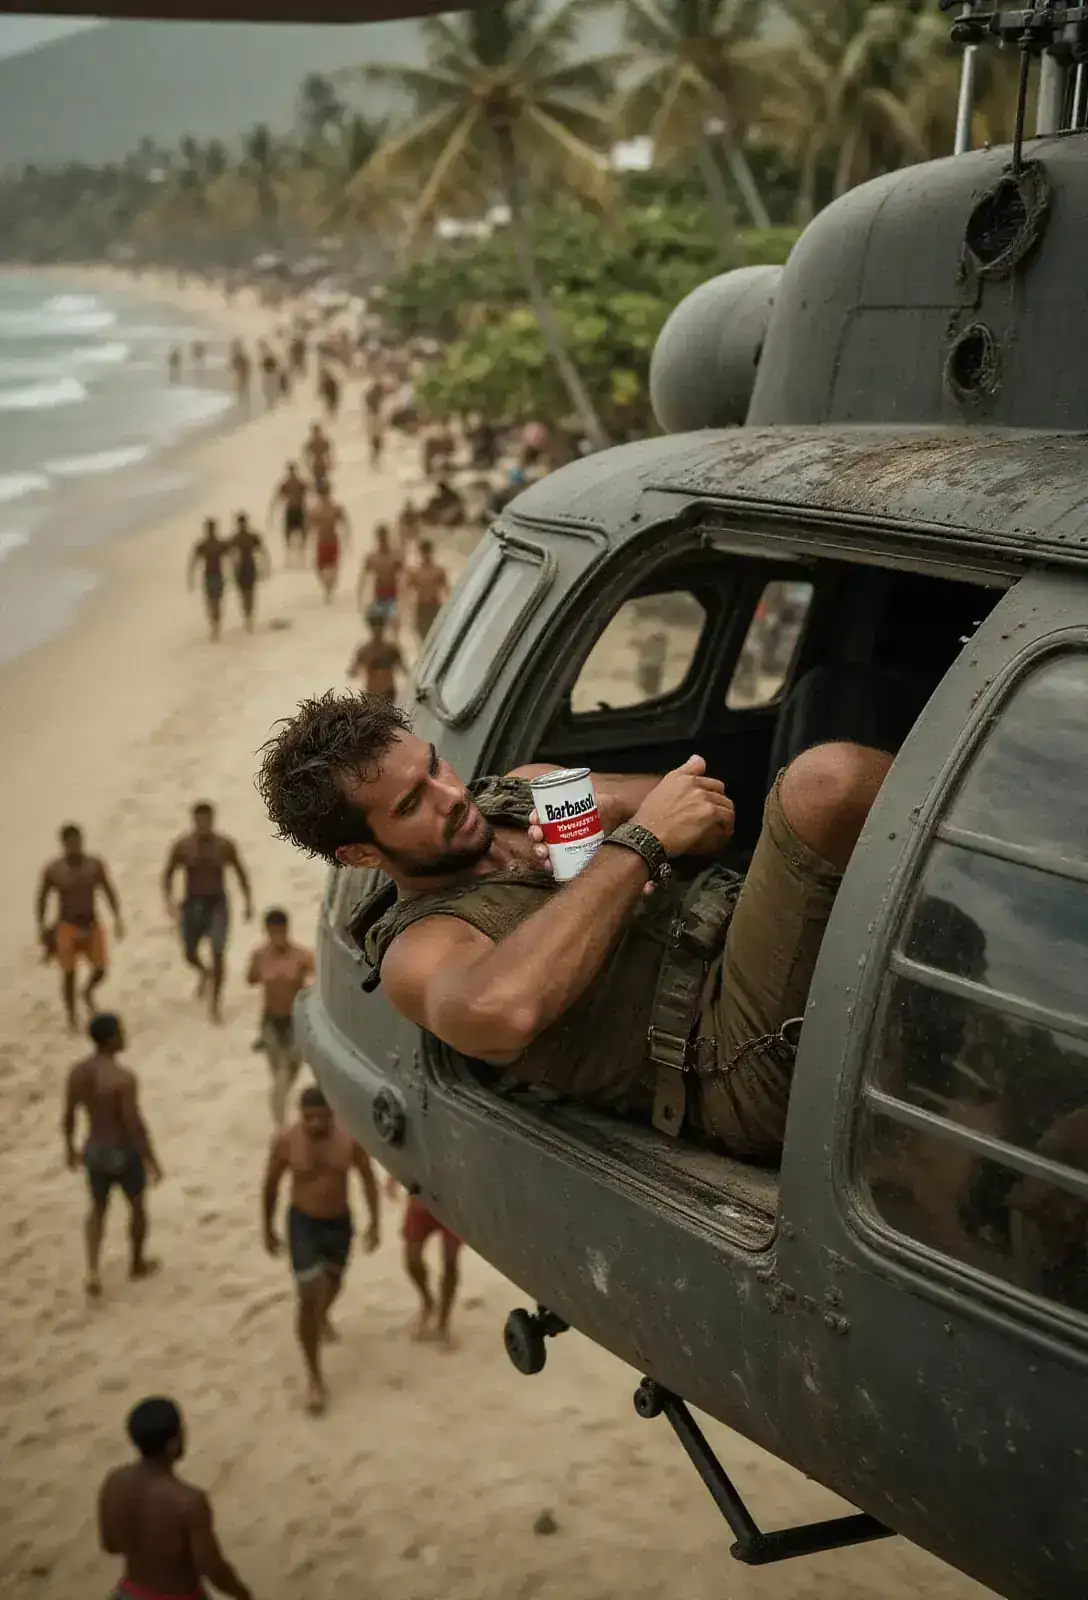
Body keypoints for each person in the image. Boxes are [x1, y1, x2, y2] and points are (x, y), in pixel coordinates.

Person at [257, 694, 893, 1165]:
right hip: (722, 1061)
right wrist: (635, 848)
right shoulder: (418, 952)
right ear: (361, 855)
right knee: (826, 784)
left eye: (434, 768)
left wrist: (610, 809)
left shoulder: (522, 794)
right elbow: (504, 1010)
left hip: (739, 930)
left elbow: (713, 816)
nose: (450, 796)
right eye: (409, 804)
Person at [262, 1085, 380, 1414]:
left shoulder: (348, 1138)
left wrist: (375, 1222)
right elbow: (270, 1184)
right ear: (300, 1115)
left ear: (332, 1114)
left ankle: (321, 1314)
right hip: (303, 1223)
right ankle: (314, 1377)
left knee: (334, 1284)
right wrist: (267, 1228)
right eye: (308, 1119)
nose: (314, 1125)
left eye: (321, 1119)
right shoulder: (287, 1140)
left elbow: (367, 1178)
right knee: (309, 1291)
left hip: (338, 1223)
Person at [99, 1397, 253, 1600]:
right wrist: (243, 1594)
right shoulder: (188, 1502)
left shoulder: (114, 1481)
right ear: (173, 1445)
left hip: (130, 1593)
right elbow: (211, 1567)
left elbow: (111, 1545)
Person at [63, 1013, 162, 1298]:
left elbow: (69, 1115)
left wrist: (69, 1147)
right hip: (122, 1152)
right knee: (137, 1208)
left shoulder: (77, 1072)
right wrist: (150, 1159)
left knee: (96, 1209)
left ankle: (93, 1269)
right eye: (121, 1032)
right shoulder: (123, 1078)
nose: (125, 1036)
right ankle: (137, 1263)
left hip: (94, 1149)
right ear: (110, 1040)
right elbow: (133, 1123)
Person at [162, 803, 253, 1022]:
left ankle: (215, 1004)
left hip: (217, 904)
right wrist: (169, 901)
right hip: (192, 904)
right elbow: (168, 874)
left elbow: (241, 872)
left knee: (218, 953)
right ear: (194, 821)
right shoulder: (183, 846)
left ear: (213, 820)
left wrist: (248, 901)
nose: (204, 825)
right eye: (200, 821)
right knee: (189, 953)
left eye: (207, 820)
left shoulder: (224, 845)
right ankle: (204, 972)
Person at [37, 824, 124, 1030]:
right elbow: (42, 897)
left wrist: (117, 916)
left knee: (101, 969)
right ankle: (71, 1015)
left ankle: (87, 993)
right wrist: (41, 927)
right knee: (69, 973)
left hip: (91, 923)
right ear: (63, 844)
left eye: (77, 842)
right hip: (66, 925)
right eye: (70, 843)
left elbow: (107, 889)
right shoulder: (54, 870)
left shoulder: (94, 865)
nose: (74, 847)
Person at [246, 909, 314, 1125]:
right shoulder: (260, 956)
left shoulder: (301, 956)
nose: (277, 936)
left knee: (290, 1073)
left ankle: (280, 1117)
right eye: (272, 932)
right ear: (266, 931)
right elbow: (251, 979)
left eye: (280, 931)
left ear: (287, 929)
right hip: (271, 1022)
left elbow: (320, 980)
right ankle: (280, 1125)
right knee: (281, 1075)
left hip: (296, 1021)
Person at [403, 1197, 462, 1348]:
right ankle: (428, 1300)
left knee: (450, 1263)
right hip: (422, 1198)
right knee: (412, 1260)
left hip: (453, 1205)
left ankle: (443, 1322)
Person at [347, 613, 404, 701]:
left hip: (386, 692)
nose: (377, 632)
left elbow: (404, 669)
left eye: (379, 629)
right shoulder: (366, 651)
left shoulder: (391, 649)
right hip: (374, 692)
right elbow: (352, 672)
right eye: (376, 629)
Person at [228, 512, 269, 634]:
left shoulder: (243, 537)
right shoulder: (242, 537)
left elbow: (262, 551)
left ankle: (248, 617)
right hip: (245, 568)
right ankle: (248, 616)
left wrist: (266, 566)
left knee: (248, 594)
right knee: (245, 594)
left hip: (247, 567)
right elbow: (230, 555)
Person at [188, 519, 229, 641]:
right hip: (209, 576)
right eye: (209, 529)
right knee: (210, 603)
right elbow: (193, 561)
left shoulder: (219, 544)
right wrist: (190, 578)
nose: (210, 531)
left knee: (216, 603)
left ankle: (216, 627)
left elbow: (231, 557)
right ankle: (214, 625)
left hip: (217, 576)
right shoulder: (203, 545)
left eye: (211, 529)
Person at [357, 523, 402, 629]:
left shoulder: (395, 557)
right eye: (381, 537)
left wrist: (404, 601)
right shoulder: (372, 557)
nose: (383, 540)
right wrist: (360, 597)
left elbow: (404, 578)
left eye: (384, 537)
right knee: (379, 628)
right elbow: (363, 577)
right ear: (377, 538)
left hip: (393, 597)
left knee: (394, 625)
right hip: (378, 597)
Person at [310, 488, 351, 603]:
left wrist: (347, 537)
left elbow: (345, 521)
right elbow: (311, 525)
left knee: (332, 566)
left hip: (330, 541)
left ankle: (329, 589)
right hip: (324, 541)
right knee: (321, 567)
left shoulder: (332, 509)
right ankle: (328, 588)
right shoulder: (319, 510)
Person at [404, 538, 449, 643]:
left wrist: (449, 607)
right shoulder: (415, 573)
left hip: (434, 606)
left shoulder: (438, 571)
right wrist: (407, 611)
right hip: (422, 607)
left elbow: (446, 590)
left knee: (436, 636)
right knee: (423, 637)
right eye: (424, 552)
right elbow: (406, 592)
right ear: (420, 553)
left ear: (431, 552)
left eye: (427, 552)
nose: (426, 555)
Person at [268, 461, 308, 566]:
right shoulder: (295, 483)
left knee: (295, 534)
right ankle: (291, 558)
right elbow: (277, 498)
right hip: (295, 510)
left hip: (296, 510)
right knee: (292, 534)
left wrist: (272, 512)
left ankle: (298, 558)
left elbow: (277, 498)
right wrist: (272, 513)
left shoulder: (294, 483)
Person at [303, 422, 333, 493]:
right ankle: (322, 492)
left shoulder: (311, 443)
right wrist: (329, 462)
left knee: (320, 479)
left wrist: (308, 465)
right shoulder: (323, 442)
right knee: (321, 479)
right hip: (320, 463)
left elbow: (307, 456)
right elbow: (328, 454)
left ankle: (321, 492)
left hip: (318, 463)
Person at [229, 339, 251, 407]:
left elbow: (233, 367)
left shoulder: (240, 357)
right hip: (239, 378)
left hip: (241, 378)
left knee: (242, 392)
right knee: (240, 392)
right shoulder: (239, 357)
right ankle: (242, 405)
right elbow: (232, 367)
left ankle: (242, 405)